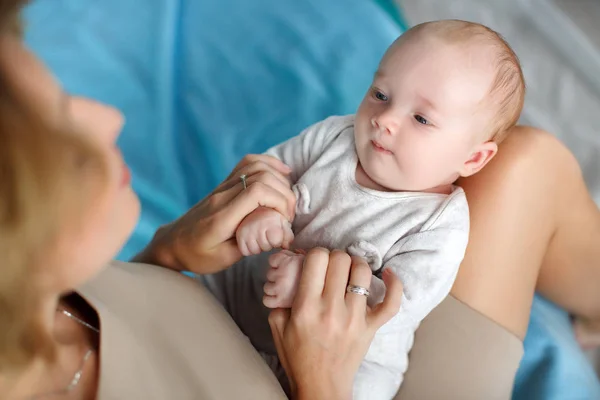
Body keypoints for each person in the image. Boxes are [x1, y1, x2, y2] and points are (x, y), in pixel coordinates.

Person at [0, 1, 598, 399]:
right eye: (65, 144)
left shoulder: (33, 302)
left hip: (276, 311)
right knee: (533, 167)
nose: (108, 117)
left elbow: (409, 274)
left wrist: (168, 249)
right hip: (338, 372)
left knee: (521, 156)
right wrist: (322, 379)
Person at [212, 20, 525, 398]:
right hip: (242, 296)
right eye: (381, 94)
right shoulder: (334, 138)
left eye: (422, 118)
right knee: (204, 274)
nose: (385, 119)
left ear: (473, 158)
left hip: (350, 359)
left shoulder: (439, 227)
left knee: (369, 387)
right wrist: (264, 212)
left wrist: (309, 286)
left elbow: (396, 304)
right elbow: (269, 171)